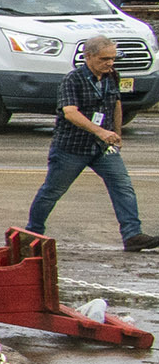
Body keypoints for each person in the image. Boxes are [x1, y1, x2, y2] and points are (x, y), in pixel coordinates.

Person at [27, 33, 159, 253]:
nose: (109, 63)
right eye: (104, 59)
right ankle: (32, 234)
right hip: (71, 147)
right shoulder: (73, 80)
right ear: (88, 57)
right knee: (52, 191)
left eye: (112, 59)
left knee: (122, 186)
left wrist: (116, 133)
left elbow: (116, 102)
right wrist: (100, 131)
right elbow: (70, 113)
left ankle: (132, 235)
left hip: (102, 147)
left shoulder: (111, 76)